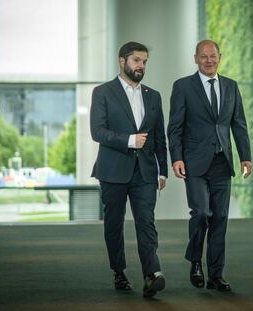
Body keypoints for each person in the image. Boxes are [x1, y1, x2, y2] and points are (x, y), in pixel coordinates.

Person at [167, 39, 252, 292]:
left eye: (213, 56)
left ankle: (216, 274)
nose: (208, 60)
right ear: (195, 58)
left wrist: (245, 156)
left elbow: (239, 124)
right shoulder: (183, 86)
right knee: (202, 213)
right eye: (203, 56)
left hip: (222, 163)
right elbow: (175, 128)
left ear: (220, 57)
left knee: (221, 219)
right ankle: (195, 261)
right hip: (194, 163)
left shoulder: (231, 86)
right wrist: (177, 158)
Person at [90, 41, 167, 298]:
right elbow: (97, 131)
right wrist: (129, 140)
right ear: (122, 61)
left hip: (145, 171)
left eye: (144, 61)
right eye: (136, 60)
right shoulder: (103, 92)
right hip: (112, 170)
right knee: (114, 224)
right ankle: (118, 271)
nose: (141, 66)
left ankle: (151, 274)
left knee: (147, 222)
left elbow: (159, 138)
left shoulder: (153, 96)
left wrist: (162, 170)